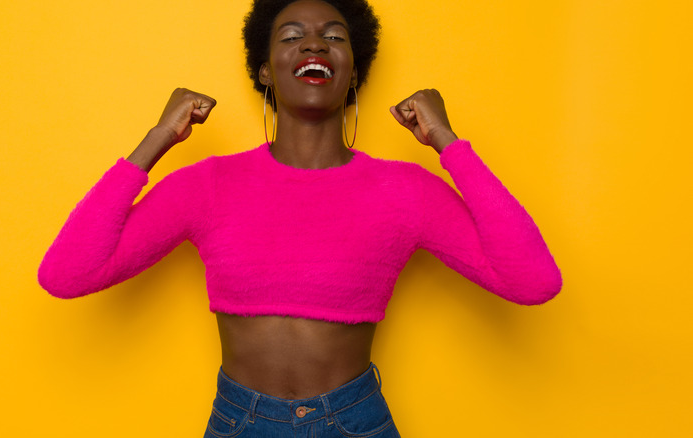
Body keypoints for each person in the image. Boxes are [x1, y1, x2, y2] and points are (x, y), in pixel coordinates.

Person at [38, 0, 562, 436]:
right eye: (292, 36)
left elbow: (532, 280)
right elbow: (68, 274)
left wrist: (448, 143)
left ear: (354, 70)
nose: (314, 44)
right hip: (241, 423)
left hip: (356, 422)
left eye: (334, 36)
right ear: (264, 70)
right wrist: (155, 140)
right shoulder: (208, 185)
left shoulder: (405, 190)